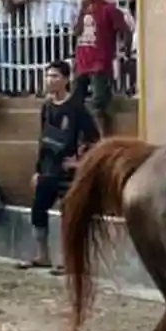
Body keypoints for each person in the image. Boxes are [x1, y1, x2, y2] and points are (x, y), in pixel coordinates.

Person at [18, 61, 99, 271]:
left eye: (54, 76)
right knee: (38, 211)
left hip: (66, 172)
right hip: (47, 169)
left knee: (68, 216)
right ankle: (43, 255)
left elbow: (95, 138)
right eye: (47, 76)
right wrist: (37, 170)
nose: (50, 80)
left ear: (65, 79)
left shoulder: (76, 108)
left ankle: (69, 260)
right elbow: (42, 140)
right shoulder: (46, 107)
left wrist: (79, 162)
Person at [72, 0, 130, 137]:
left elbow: (125, 30)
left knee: (99, 103)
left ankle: (104, 138)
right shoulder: (83, 10)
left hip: (100, 62)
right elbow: (76, 32)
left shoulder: (109, 9)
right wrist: (82, 11)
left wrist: (125, 49)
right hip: (82, 62)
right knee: (76, 102)